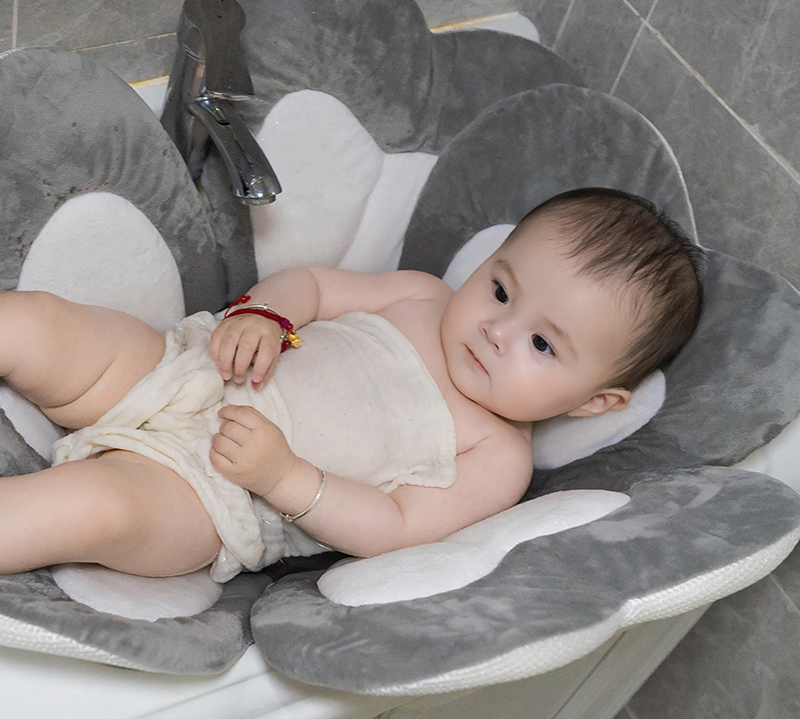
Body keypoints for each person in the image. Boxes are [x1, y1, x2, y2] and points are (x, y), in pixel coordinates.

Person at [0, 188, 703, 582]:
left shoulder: (497, 456)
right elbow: (313, 285)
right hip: (184, 368)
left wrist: (286, 478)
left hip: (215, 494)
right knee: (37, 324)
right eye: (500, 289)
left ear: (594, 402)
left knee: (96, 507)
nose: (497, 330)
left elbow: (394, 530)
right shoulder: (423, 295)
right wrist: (266, 316)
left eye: (542, 344)